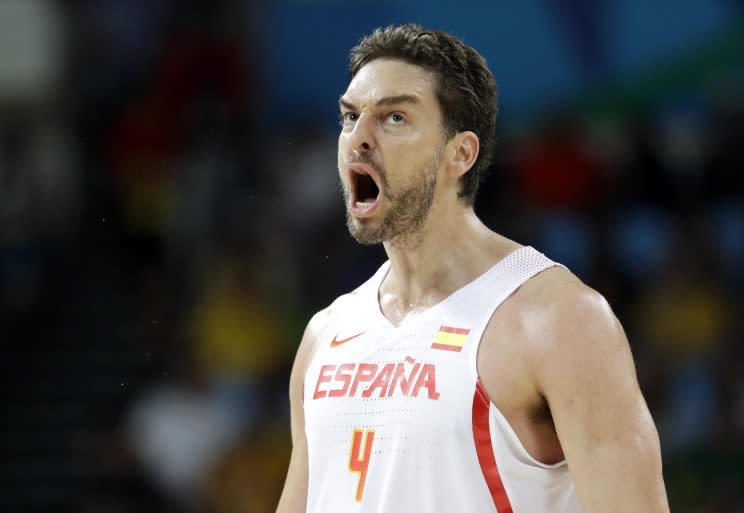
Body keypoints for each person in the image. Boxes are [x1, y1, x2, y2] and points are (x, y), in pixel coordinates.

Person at [276, 24, 669, 513]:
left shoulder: (558, 318)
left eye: (394, 117)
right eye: (350, 117)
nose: (358, 138)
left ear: (460, 153)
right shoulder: (325, 335)